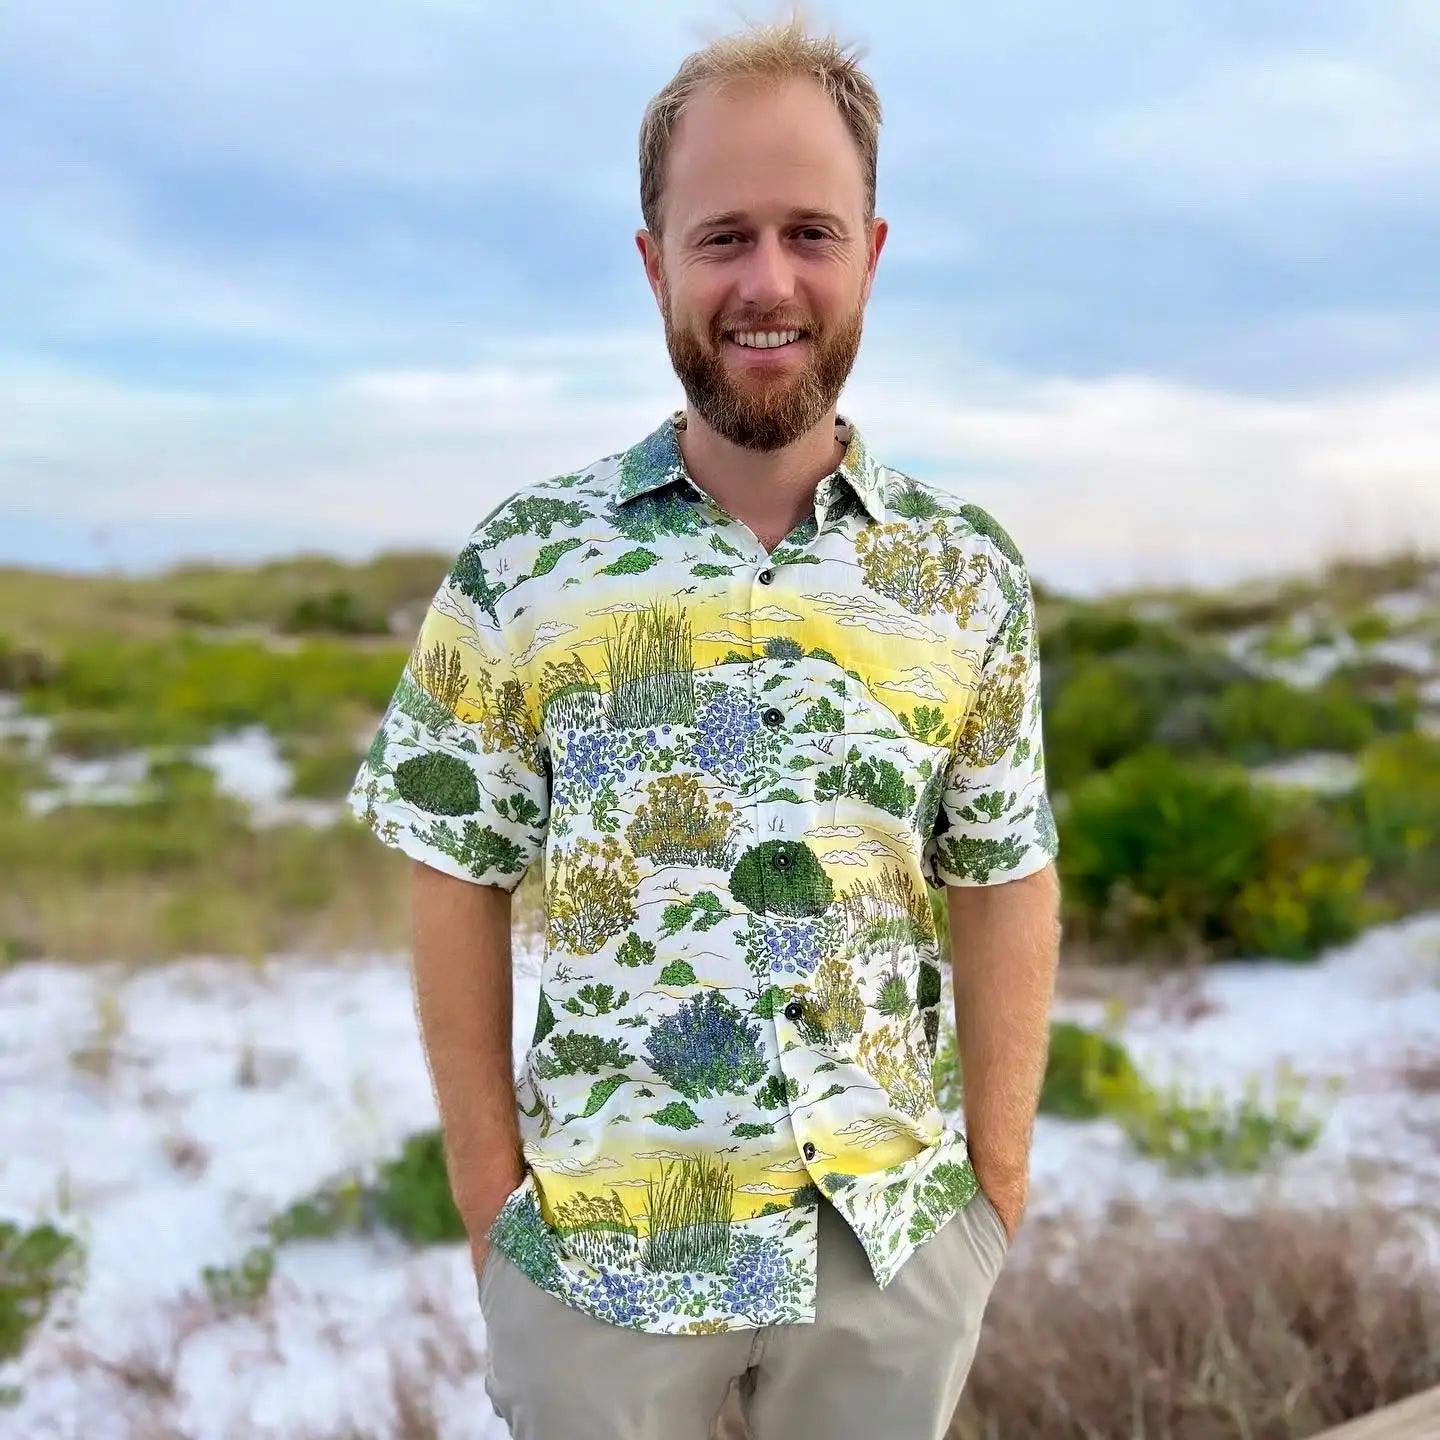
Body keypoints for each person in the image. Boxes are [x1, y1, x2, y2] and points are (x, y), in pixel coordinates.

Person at [348, 12, 1061, 1439]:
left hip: (890, 1236)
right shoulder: (525, 562)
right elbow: (454, 873)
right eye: (722, 236)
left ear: (870, 250)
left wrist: (994, 1186)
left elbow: (1003, 875)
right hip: (599, 1250)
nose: (768, 280)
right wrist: (494, 1212)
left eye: (810, 231)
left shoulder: (965, 570)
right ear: (653, 262)